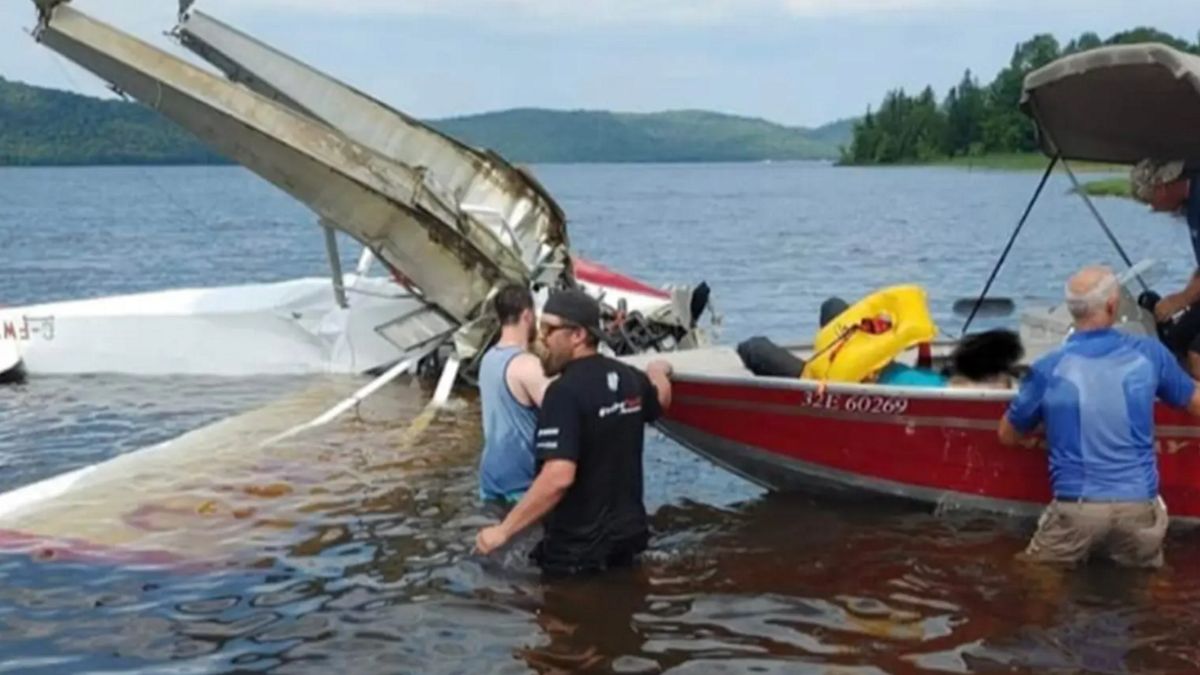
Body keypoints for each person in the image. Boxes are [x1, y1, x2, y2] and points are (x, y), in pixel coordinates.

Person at [998, 265, 1200, 568]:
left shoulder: (1048, 367)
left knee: (1033, 575)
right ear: (1112, 305)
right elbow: (1196, 403)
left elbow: (1008, 435)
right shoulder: (1150, 354)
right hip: (1138, 506)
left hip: (1077, 508)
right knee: (1143, 586)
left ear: (1071, 310)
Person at [475, 288, 673, 575]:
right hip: (629, 540)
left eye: (549, 329)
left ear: (578, 335)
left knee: (549, 613)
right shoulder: (630, 378)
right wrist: (659, 369)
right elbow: (661, 400)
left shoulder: (563, 393)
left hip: (577, 552)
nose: (541, 337)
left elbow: (558, 476)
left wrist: (503, 531)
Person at [478, 283, 552, 505]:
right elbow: (562, 410)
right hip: (520, 482)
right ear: (527, 315)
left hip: (490, 476)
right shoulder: (527, 365)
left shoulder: (488, 359)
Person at [1130, 160, 1200, 377]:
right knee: (1175, 339)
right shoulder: (1191, 205)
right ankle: (1183, 398)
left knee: (1197, 353)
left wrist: (1182, 299)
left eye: (1150, 199)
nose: (1152, 207)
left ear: (1162, 188)